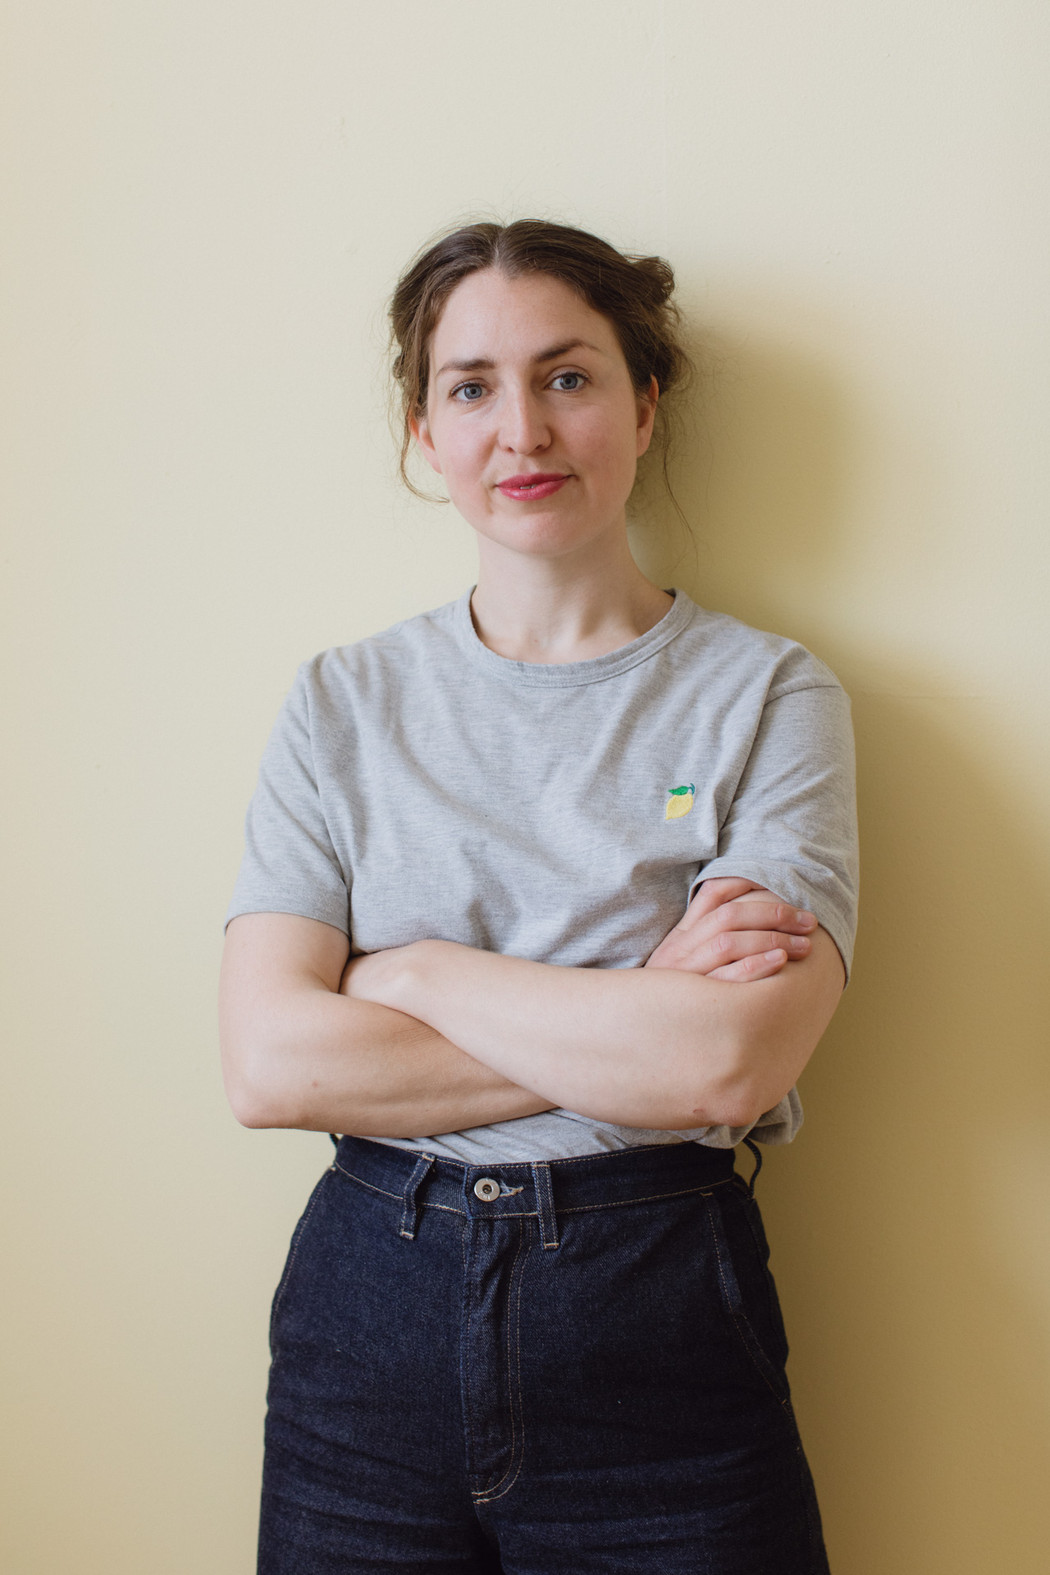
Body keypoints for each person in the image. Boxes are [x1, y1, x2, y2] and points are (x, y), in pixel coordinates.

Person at [219, 219, 858, 1575]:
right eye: (472, 387)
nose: (523, 430)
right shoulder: (341, 702)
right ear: (425, 430)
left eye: (568, 376)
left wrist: (410, 975)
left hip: (659, 1314)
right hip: (365, 1321)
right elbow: (270, 1065)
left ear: (645, 401)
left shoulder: (768, 693)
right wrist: (636, 1009)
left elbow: (725, 1063)